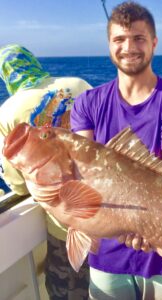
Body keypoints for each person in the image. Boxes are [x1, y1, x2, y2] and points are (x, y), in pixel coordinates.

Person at [70, 2, 162, 300]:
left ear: (154, 43)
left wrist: (146, 227)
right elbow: (80, 174)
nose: (129, 47)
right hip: (106, 256)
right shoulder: (86, 104)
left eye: (139, 39)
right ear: (109, 45)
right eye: (119, 39)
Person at [0, 44, 93, 300]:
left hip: (66, 226)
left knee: (66, 290)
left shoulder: (7, 112)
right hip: (111, 212)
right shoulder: (79, 84)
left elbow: (17, 183)